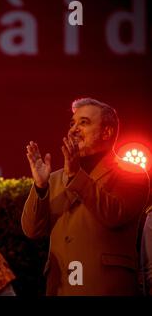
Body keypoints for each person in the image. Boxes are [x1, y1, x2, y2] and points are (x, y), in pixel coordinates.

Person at [22, 97, 150, 295]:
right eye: (72, 123)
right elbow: (31, 230)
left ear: (107, 132)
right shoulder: (55, 178)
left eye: (84, 122)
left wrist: (75, 175)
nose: (73, 129)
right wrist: (40, 187)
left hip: (106, 288)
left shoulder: (131, 173)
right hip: (61, 288)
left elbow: (114, 214)